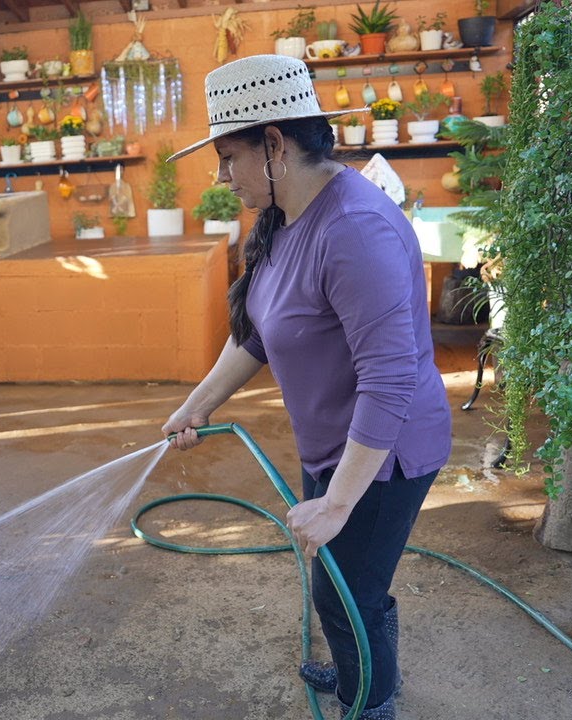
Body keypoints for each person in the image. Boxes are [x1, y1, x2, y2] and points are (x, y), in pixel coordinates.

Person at [161, 55, 451, 720]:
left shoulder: (354, 230)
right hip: (337, 442)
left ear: (274, 145)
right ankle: (364, 677)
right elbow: (259, 334)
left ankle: (369, 703)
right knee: (343, 585)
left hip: (385, 453)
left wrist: (338, 501)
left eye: (229, 156)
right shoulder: (289, 216)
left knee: (350, 591)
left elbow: (390, 378)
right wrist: (198, 404)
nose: (222, 175)